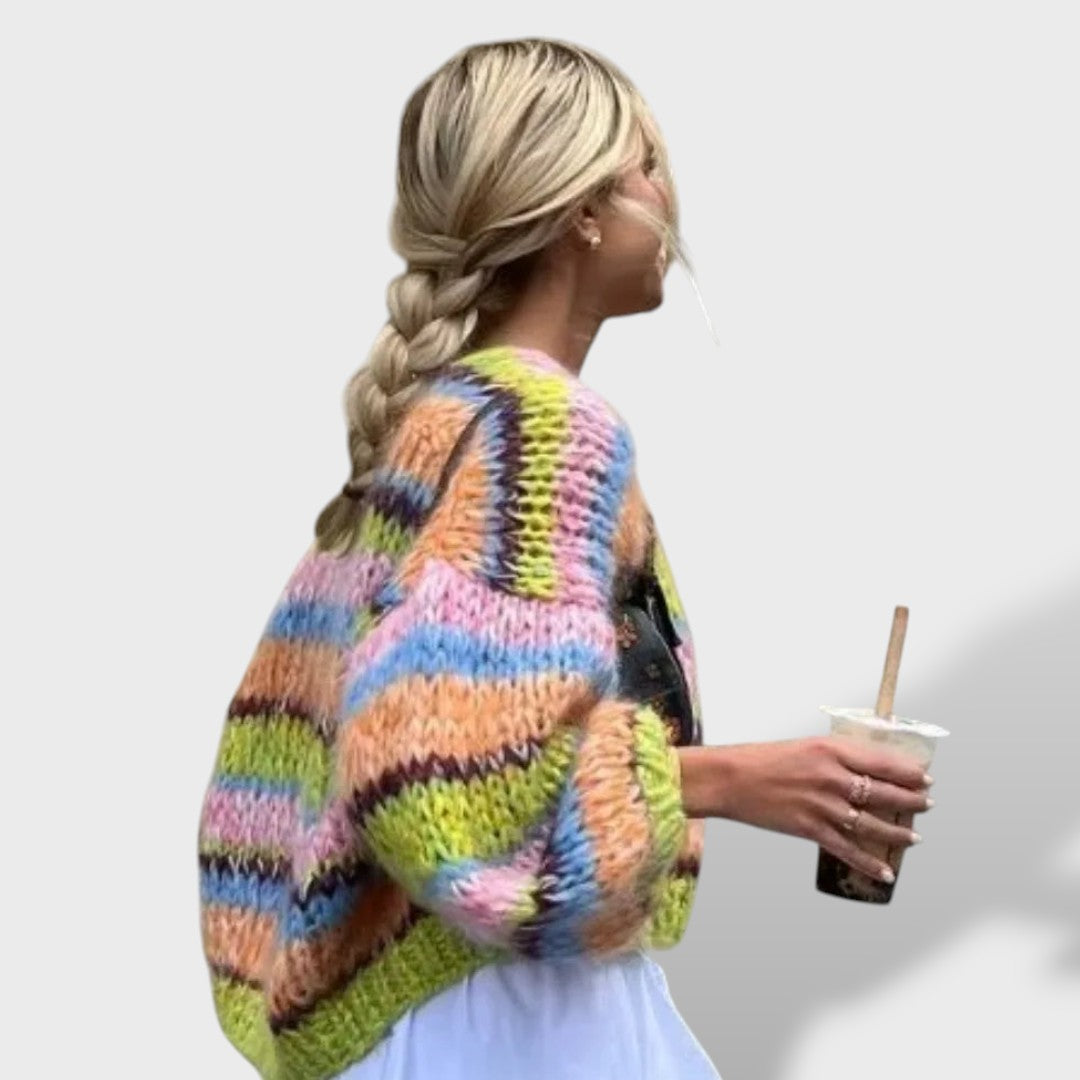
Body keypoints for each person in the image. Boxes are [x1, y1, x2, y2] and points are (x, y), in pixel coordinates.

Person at [196, 37, 934, 1080]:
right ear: (584, 210)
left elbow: (319, 775)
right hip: (516, 1026)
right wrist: (739, 781)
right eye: (648, 166)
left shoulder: (436, 423)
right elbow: (453, 795)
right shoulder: (543, 431)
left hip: (437, 1019)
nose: (670, 198)